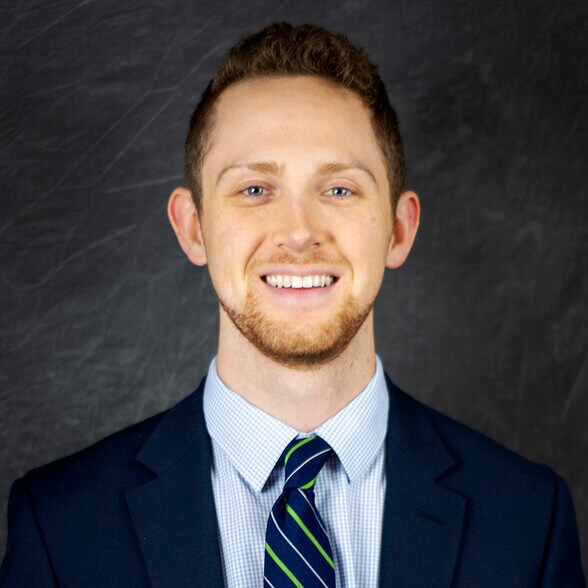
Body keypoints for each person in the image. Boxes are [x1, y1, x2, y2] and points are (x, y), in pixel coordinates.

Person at [0, 22, 584, 588]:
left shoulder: (528, 520)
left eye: (339, 189)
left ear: (398, 230)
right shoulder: (62, 525)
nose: (299, 233)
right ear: (194, 228)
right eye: (255, 189)